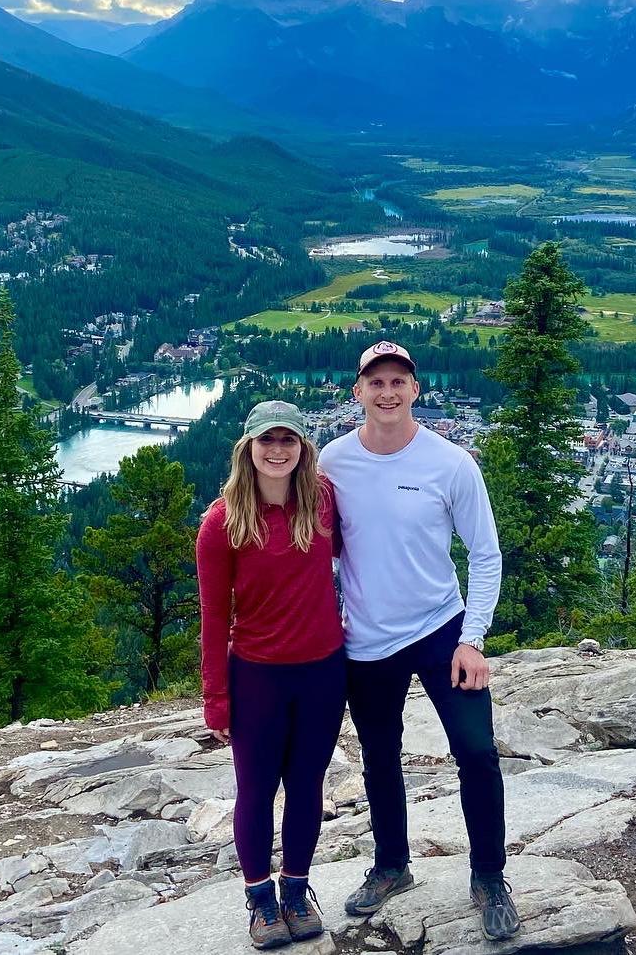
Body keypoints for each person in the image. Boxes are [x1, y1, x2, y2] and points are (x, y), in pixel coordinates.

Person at [319, 341, 521, 942]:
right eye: (374, 382)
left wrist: (473, 639)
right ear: (357, 392)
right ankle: (391, 866)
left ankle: (489, 876)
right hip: (367, 638)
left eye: (397, 381)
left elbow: (484, 552)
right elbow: (308, 539)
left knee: (477, 752)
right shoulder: (333, 461)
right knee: (381, 757)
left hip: (440, 629)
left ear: (416, 389)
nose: (387, 392)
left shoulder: (451, 463)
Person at [197, 400, 346, 950]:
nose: (278, 450)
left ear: (304, 447)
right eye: (267, 440)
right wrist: (216, 698)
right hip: (257, 674)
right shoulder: (223, 522)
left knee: (307, 785)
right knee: (256, 790)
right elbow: (213, 617)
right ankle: (259, 900)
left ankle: (297, 891)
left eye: (289, 440)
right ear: (249, 448)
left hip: (323, 672)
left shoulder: (325, 502)